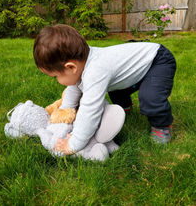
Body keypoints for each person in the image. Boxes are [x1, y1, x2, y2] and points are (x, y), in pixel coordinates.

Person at [33, 24, 176, 155]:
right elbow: (74, 89)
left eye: (55, 76)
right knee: (116, 87)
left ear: (71, 67)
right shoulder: (83, 63)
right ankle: (124, 107)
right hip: (138, 67)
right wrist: (63, 114)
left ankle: (162, 125)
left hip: (158, 61)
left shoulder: (96, 71)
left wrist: (73, 144)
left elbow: (90, 110)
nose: (57, 80)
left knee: (150, 98)